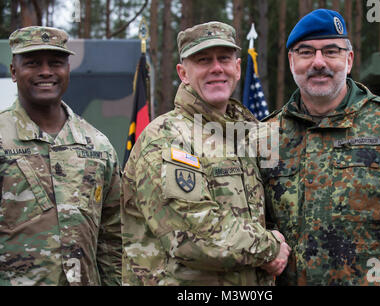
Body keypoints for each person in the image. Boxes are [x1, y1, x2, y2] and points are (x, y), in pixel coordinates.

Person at [261, 9, 380, 285]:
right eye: (306, 52)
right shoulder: (266, 135)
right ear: (291, 61)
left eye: (331, 51)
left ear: (348, 60)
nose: (319, 62)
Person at [121, 21, 290, 286]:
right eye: (202, 60)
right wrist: (269, 248)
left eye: (224, 58)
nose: (216, 69)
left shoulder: (249, 135)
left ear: (237, 67)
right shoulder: (166, 136)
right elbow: (189, 235)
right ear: (183, 73)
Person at [0, 26, 122, 285]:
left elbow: (114, 240)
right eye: (32, 63)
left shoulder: (98, 146)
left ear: (68, 70)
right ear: (14, 71)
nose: (46, 71)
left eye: (56, 63)